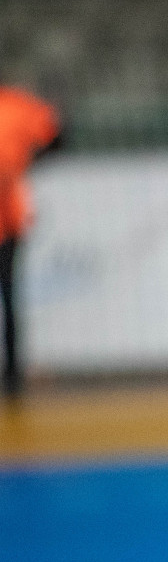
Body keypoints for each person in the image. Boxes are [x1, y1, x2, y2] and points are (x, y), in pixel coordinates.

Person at [0, 85, 61, 401]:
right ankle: (12, 374)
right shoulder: (19, 104)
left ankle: (12, 374)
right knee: (10, 295)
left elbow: (55, 133)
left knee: (9, 294)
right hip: (11, 218)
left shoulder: (16, 104)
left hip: (8, 219)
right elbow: (57, 132)